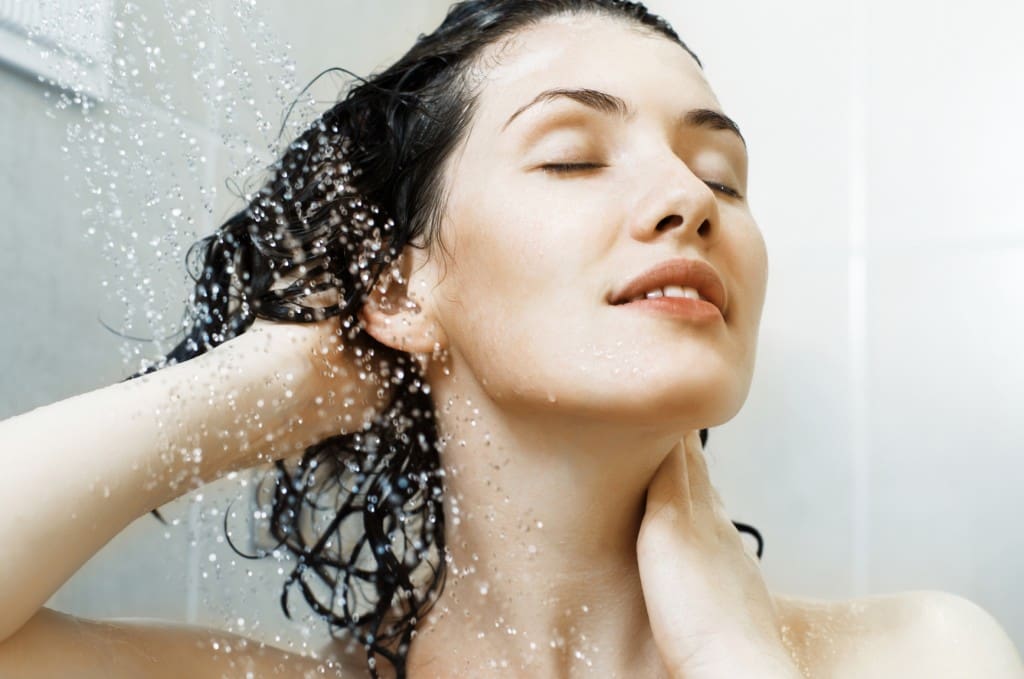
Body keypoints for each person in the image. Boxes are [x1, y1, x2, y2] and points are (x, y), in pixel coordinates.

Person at [0, 0, 1020, 677]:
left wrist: (731, 651)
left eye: (720, 176)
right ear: (402, 286)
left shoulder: (927, 654)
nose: (685, 200)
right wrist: (279, 376)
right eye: (573, 158)